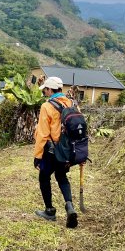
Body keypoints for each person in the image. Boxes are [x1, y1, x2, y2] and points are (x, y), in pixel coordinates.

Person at [33, 76, 78, 228]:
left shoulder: (47, 106)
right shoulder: (71, 103)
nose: (45, 92)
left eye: (45, 89)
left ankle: (50, 211)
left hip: (52, 150)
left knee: (44, 177)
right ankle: (69, 206)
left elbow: (42, 133)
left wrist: (38, 156)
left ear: (50, 89)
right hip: (68, 150)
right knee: (61, 176)